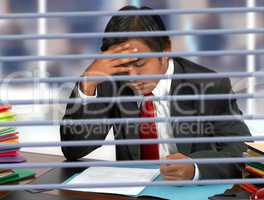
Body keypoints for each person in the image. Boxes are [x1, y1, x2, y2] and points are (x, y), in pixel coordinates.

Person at [60, 5, 251, 180]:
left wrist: (196, 167)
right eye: (122, 66)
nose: (132, 77)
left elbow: (243, 150)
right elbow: (74, 150)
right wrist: (88, 83)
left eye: (139, 63)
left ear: (166, 49)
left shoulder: (209, 86)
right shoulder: (111, 81)